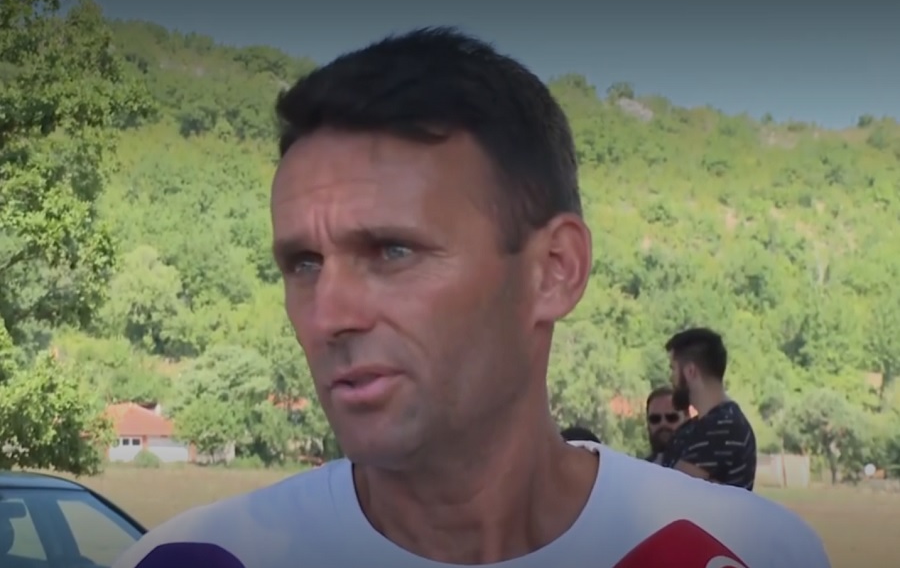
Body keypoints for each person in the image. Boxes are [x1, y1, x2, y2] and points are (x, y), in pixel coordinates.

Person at [113, 28, 829, 568]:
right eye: (303, 263)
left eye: (392, 251)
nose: (327, 316)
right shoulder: (202, 558)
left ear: (554, 271)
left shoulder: (748, 552)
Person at [661, 327, 758, 490]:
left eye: (673, 369)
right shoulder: (695, 427)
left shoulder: (724, 427)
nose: (671, 378)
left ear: (690, 371)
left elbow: (669, 490)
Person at [644, 386, 688, 464]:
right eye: (655, 419)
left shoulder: (702, 466)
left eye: (671, 418)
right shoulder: (639, 468)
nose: (663, 423)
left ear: (686, 418)